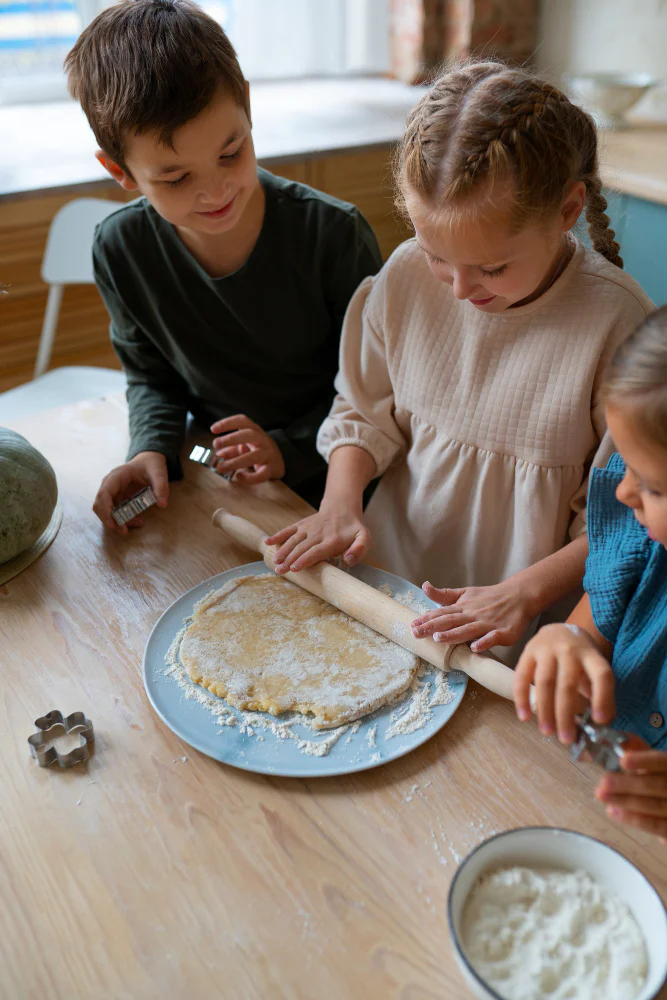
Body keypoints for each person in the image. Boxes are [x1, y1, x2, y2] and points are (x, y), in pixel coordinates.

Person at [268, 60, 653, 661]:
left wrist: (524, 593)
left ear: (567, 210)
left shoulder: (620, 326)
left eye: (492, 268)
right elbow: (363, 411)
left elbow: (625, 521)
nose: (458, 289)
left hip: (514, 629)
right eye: (436, 256)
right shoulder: (403, 278)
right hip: (389, 592)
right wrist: (340, 503)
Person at [64, 0, 382, 532]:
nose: (215, 192)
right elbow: (150, 375)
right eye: (175, 178)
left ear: (248, 108)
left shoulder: (333, 234)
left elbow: (377, 391)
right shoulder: (120, 247)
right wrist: (150, 448)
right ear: (120, 171)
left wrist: (289, 448)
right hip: (218, 473)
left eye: (231, 152)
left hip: (340, 484)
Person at [514, 308, 667, 842]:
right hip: (586, 812)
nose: (623, 492)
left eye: (653, 486)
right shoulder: (644, 540)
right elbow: (583, 637)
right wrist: (563, 644)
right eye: (626, 465)